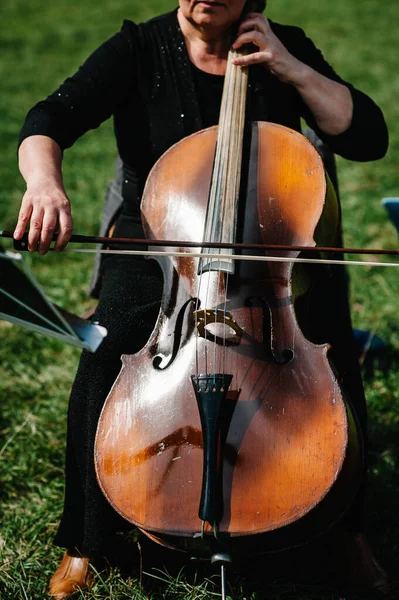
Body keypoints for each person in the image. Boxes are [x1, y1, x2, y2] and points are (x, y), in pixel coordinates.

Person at [14, 1, 390, 598]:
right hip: (160, 235)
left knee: (333, 349)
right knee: (105, 347)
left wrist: (291, 67)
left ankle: (348, 538)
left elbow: (368, 138)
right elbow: (49, 118)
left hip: (268, 243)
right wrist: (44, 182)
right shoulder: (139, 48)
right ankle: (87, 542)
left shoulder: (282, 45)